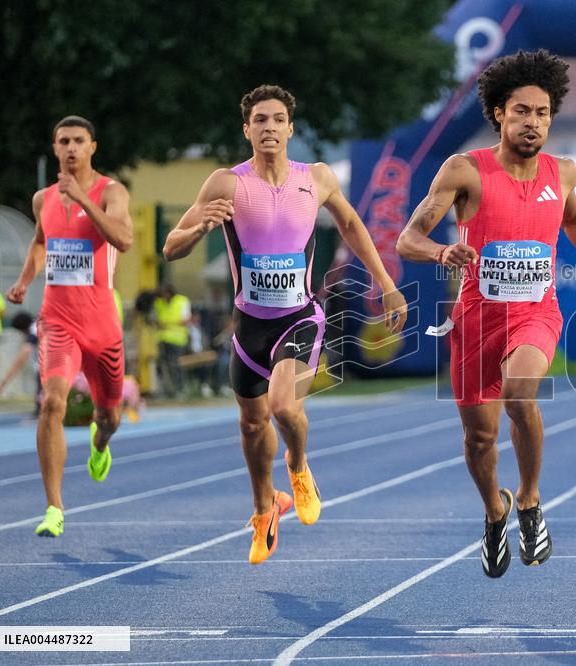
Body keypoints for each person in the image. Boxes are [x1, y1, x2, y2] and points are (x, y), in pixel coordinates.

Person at [396, 50, 576, 578]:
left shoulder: (563, 172)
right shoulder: (465, 171)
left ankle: (528, 500)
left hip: (535, 314)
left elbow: (574, 221)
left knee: (521, 390)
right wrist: (439, 252)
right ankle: (494, 512)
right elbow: (408, 236)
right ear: (499, 114)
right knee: (479, 439)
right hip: (476, 319)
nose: (533, 122)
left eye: (543, 112)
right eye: (522, 111)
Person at [163, 84, 407, 565]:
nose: (269, 127)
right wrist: (200, 227)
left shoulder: (315, 178)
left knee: (282, 407)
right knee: (251, 427)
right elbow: (172, 246)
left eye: (278, 119)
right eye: (260, 120)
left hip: (300, 318)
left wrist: (385, 281)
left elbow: (353, 226)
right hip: (248, 327)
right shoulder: (224, 184)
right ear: (247, 129)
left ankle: (298, 466)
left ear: (290, 129)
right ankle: (264, 507)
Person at [6, 115, 133, 537]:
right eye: (64, 141)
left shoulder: (111, 191)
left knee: (110, 415)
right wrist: (25, 280)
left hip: (102, 325)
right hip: (58, 321)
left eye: (80, 140)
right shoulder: (43, 199)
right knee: (52, 403)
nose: (72, 147)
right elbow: (42, 240)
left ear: (92, 147)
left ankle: (100, 442)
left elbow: (124, 239)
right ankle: (54, 507)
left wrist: (83, 199)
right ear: (55, 148)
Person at [153, 284, 191, 396]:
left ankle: (180, 389)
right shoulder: (159, 303)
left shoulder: (182, 301)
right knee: (163, 366)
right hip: (162, 339)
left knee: (176, 366)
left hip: (178, 340)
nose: (164, 297)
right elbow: (155, 320)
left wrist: (167, 324)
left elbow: (186, 320)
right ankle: (167, 390)